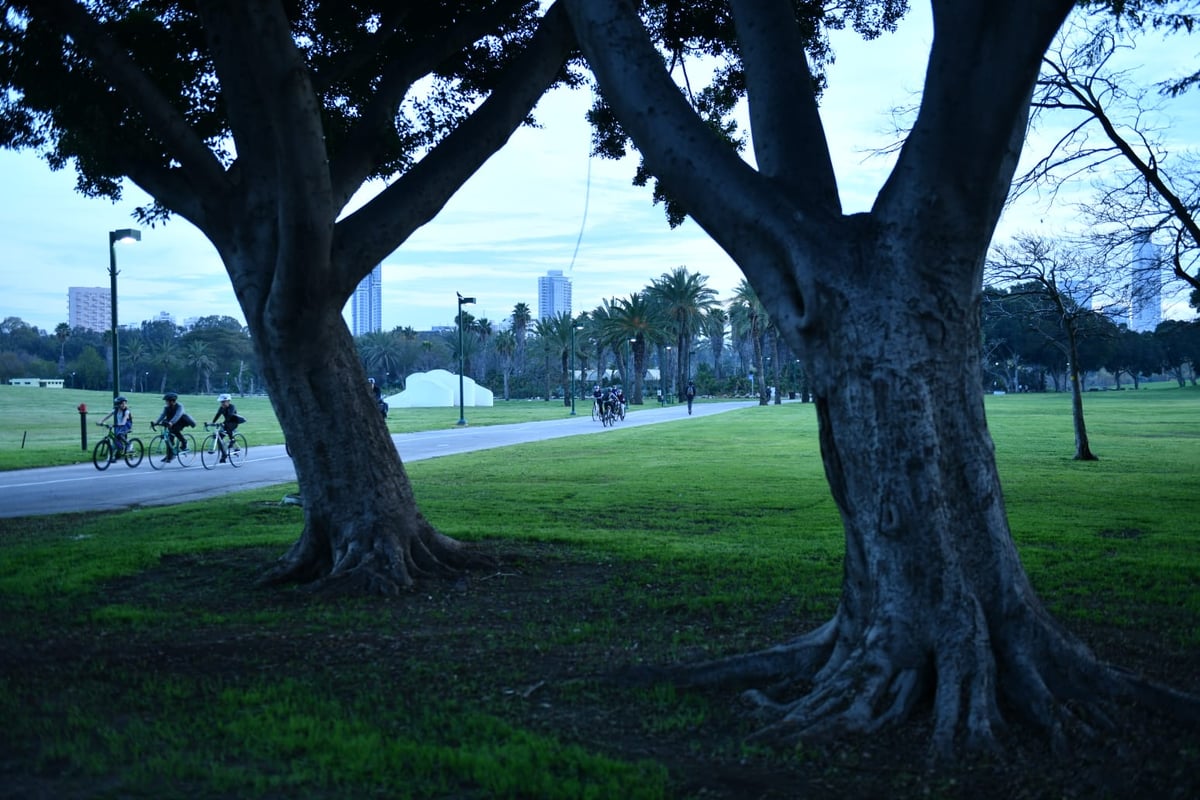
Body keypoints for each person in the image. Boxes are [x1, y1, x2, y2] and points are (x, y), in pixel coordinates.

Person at [155, 392, 195, 462]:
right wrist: (156, 423)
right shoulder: (166, 408)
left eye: (167, 401)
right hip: (171, 422)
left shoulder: (180, 406)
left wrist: (171, 422)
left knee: (175, 430)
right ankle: (169, 456)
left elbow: (178, 415)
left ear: (172, 401)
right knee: (169, 439)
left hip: (181, 421)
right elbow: (162, 415)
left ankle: (184, 441)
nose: (166, 402)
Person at [211, 393, 246, 463]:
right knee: (219, 438)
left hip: (233, 422)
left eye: (224, 402)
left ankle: (232, 440)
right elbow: (217, 415)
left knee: (227, 427)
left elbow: (229, 416)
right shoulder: (221, 408)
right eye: (221, 402)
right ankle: (224, 455)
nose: (222, 403)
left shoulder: (232, 407)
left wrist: (223, 423)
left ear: (228, 401)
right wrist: (213, 422)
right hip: (226, 423)